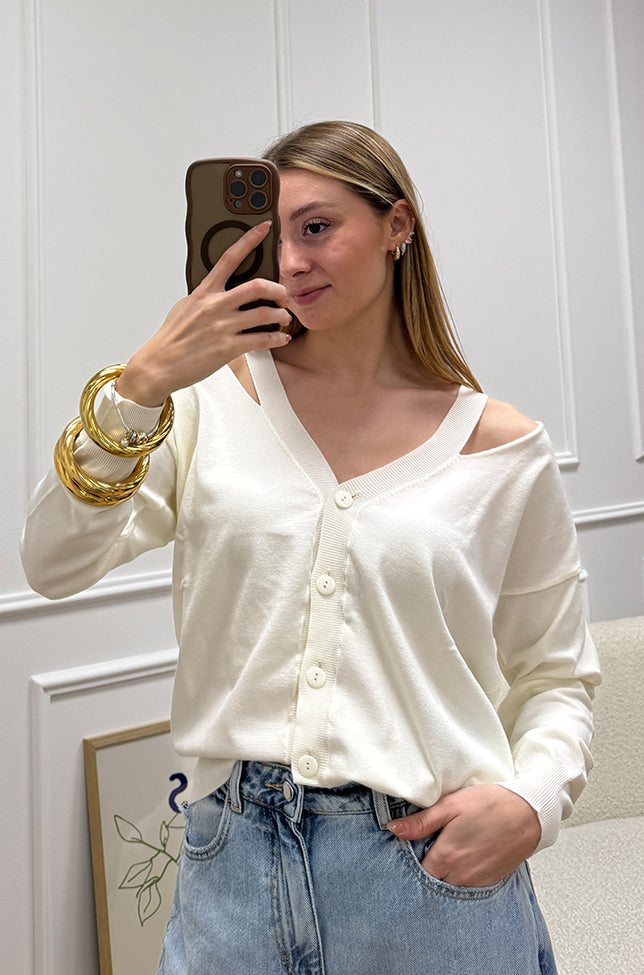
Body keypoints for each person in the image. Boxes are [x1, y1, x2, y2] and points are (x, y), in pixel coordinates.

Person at [21, 120, 600, 975]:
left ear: (398, 225)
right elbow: (51, 562)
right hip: (230, 873)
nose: (290, 261)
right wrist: (138, 388)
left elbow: (556, 676)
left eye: (317, 227)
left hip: (427, 881)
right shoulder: (208, 407)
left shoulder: (502, 450)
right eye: (273, 236)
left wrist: (531, 802)